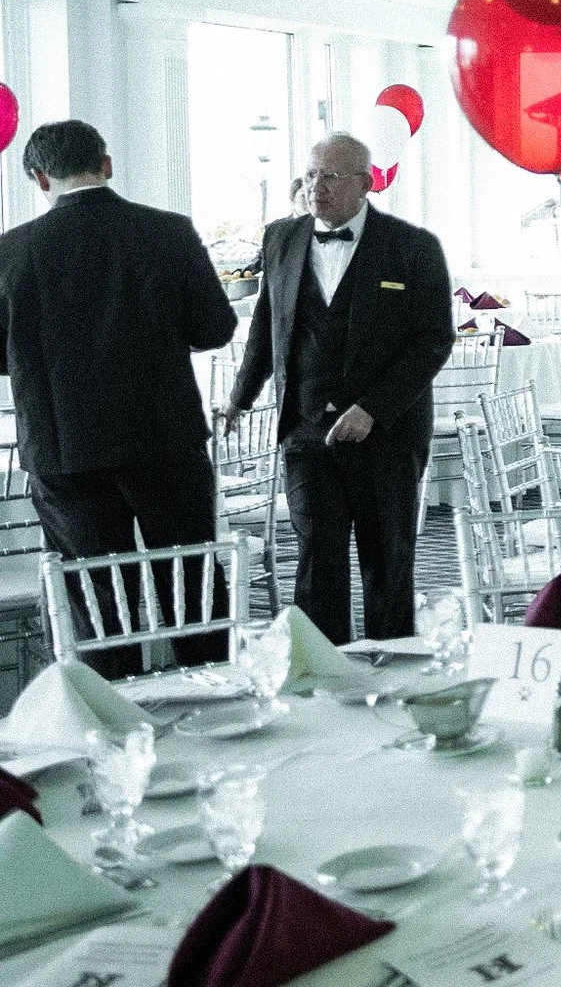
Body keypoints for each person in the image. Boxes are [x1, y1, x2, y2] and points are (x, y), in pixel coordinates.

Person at [0, 121, 237, 674]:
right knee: (192, 586)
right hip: (164, 443)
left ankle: (115, 724)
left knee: (98, 603)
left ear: (40, 178)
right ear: (106, 165)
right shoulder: (169, 232)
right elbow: (214, 328)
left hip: (64, 450)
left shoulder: (10, 251)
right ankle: (217, 704)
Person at [222, 133, 453, 643]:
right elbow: (267, 324)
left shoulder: (413, 247)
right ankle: (325, 684)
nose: (315, 187)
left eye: (329, 176)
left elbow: (433, 341)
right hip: (305, 434)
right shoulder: (280, 239)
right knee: (316, 562)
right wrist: (240, 397)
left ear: (365, 184)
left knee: (386, 563)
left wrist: (372, 409)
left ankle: (393, 679)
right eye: (309, 175)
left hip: (386, 436)